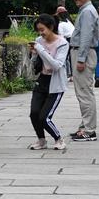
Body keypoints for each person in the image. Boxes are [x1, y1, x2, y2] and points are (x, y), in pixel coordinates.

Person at [28, 14, 69, 150]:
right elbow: (36, 62)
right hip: (42, 80)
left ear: (51, 27)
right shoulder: (39, 40)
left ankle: (59, 139)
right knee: (34, 113)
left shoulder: (63, 43)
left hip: (56, 83)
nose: (40, 33)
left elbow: (56, 65)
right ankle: (41, 141)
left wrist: (40, 49)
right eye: (38, 30)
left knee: (44, 117)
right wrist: (34, 54)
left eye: (42, 29)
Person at [68, 0, 99, 141]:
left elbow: (86, 37)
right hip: (82, 53)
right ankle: (84, 126)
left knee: (84, 92)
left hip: (83, 54)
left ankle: (89, 130)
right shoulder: (86, 10)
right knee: (83, 92)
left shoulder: (87, 12)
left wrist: (81, 59)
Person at [56, 6, 74, 79]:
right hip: (74, 40)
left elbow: (61, 36)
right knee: (72, 58)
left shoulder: (61, 24)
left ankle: (64, 74)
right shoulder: (69, 22)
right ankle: (72, 75)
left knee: (64, 58)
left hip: (67, 40)